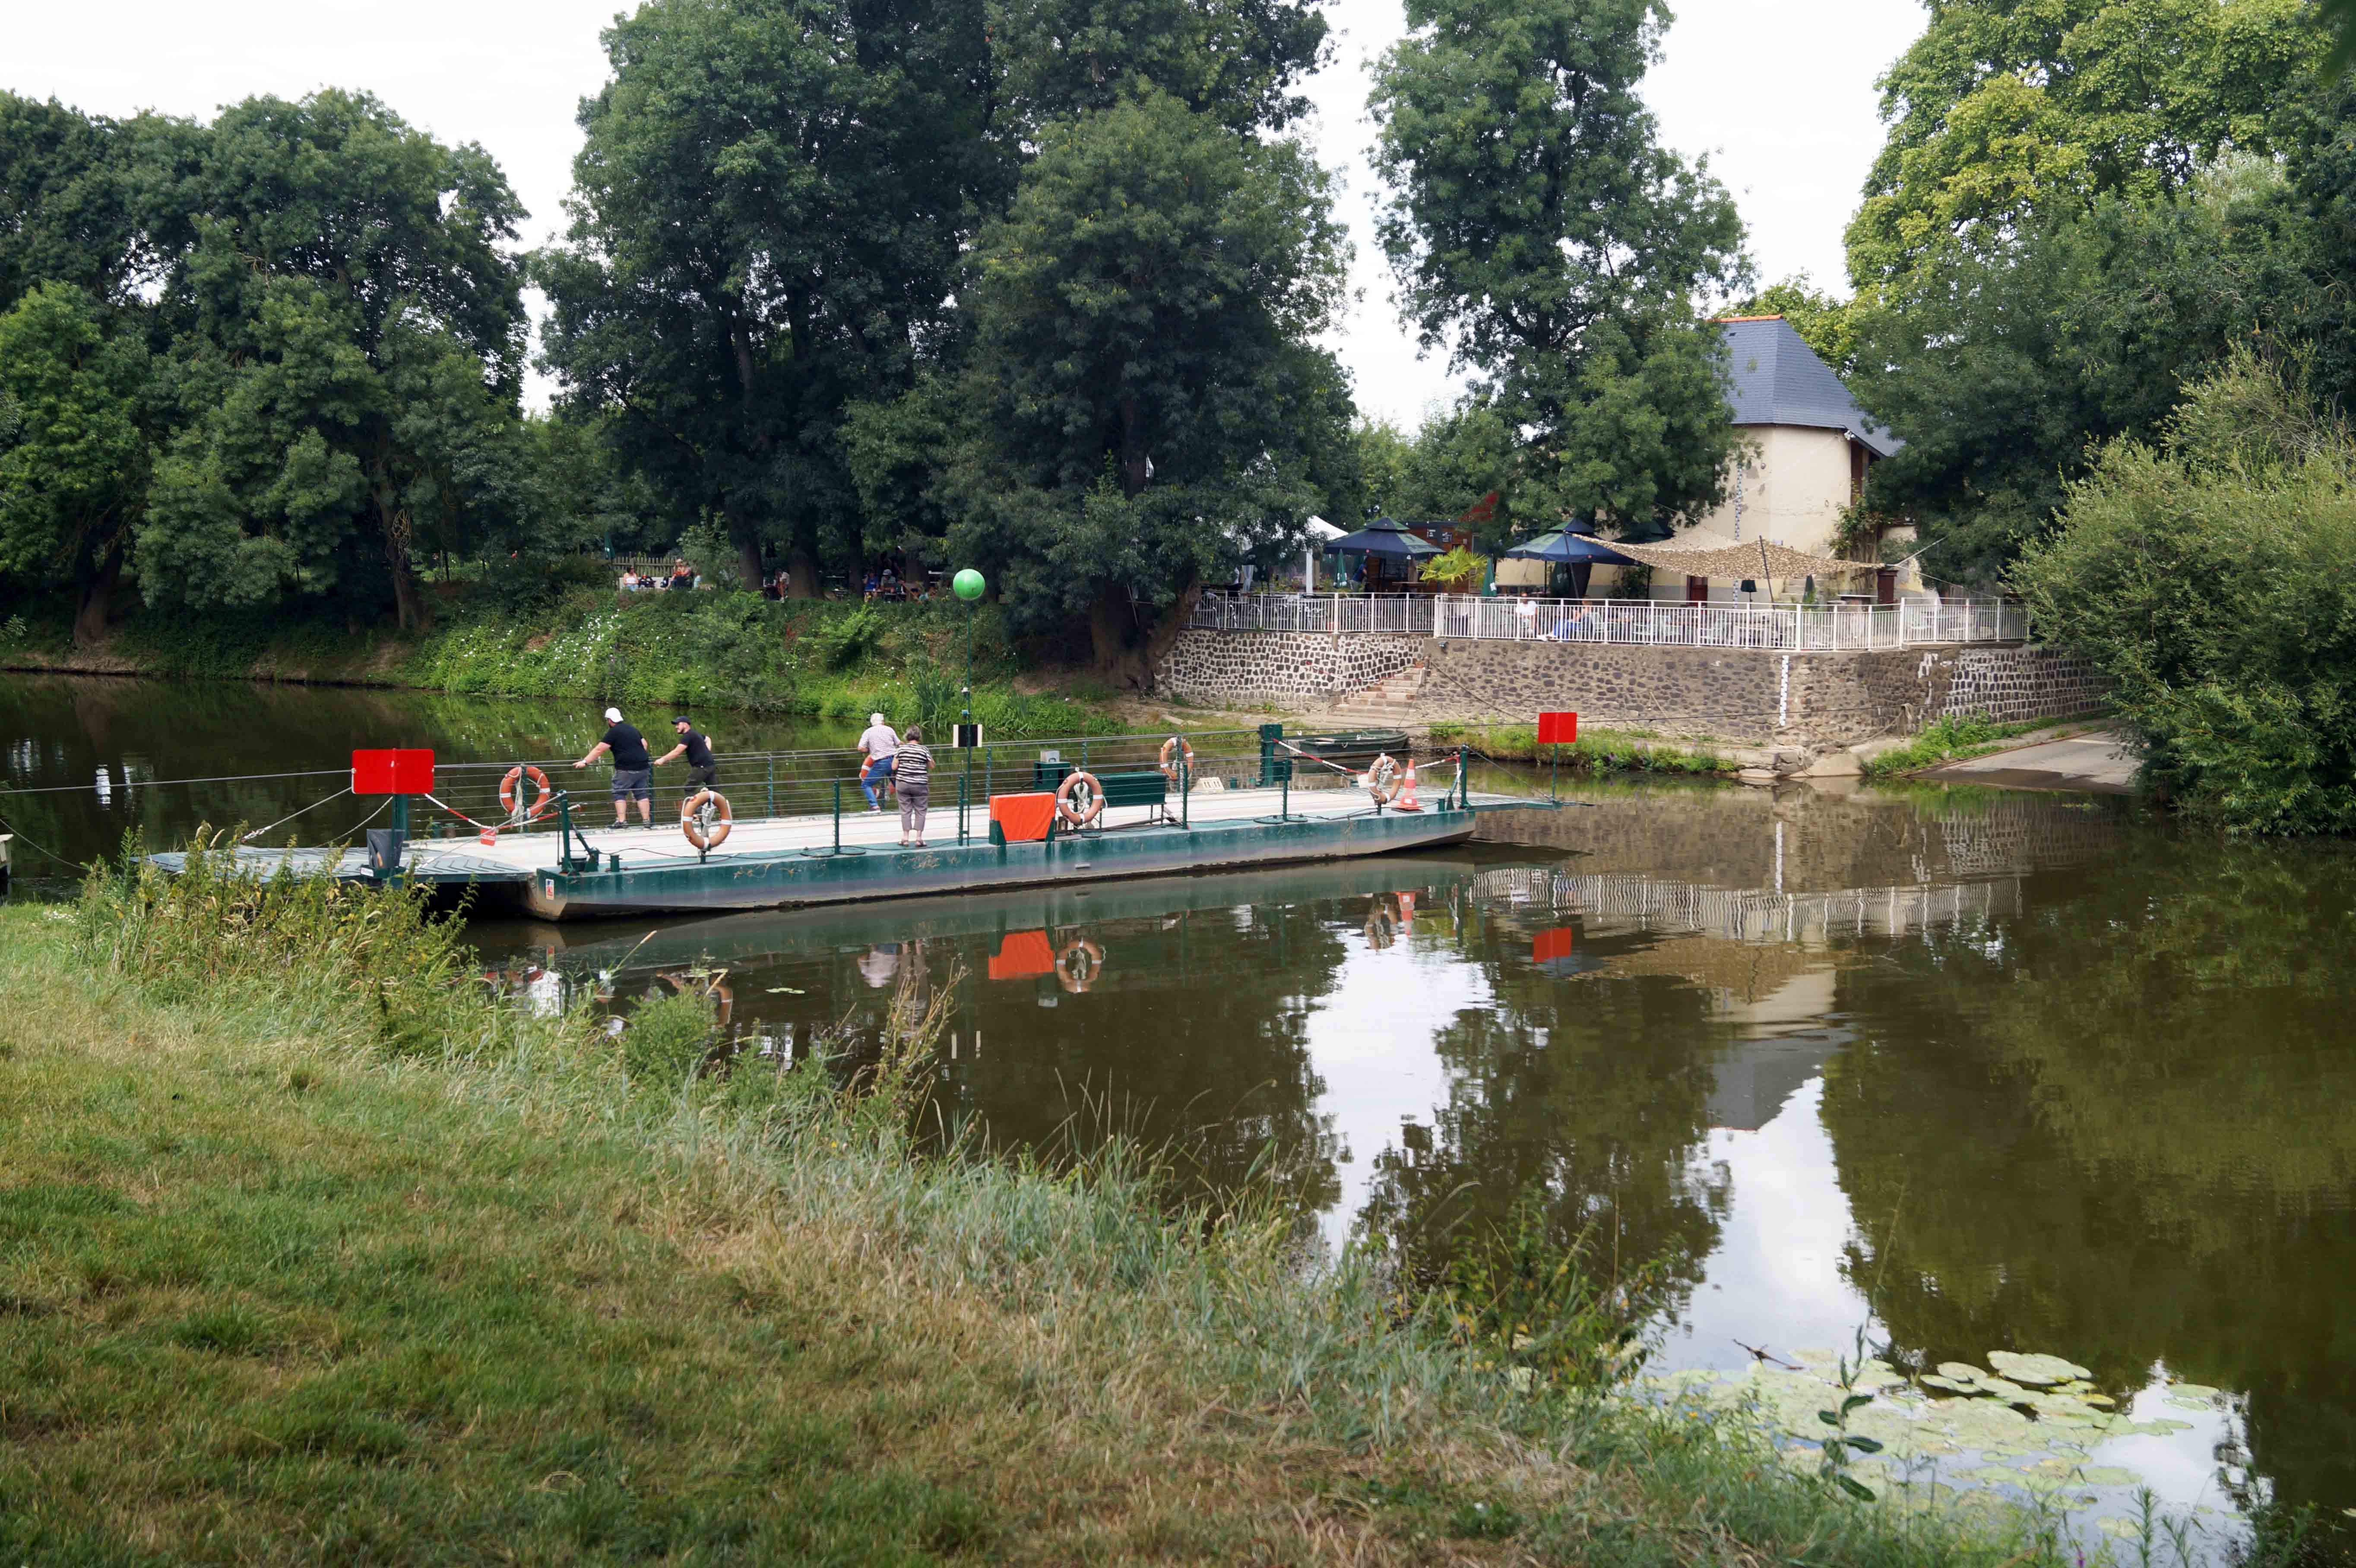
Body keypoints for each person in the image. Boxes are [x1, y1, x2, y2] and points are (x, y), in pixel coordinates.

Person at [574, 705, 654, 826]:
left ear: (610, 721)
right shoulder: (633, 729)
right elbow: (645, 744)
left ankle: (622, 822)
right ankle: (647, 821)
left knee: (619, 793)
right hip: (643, 766)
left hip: (626, 768)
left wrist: (585, 762)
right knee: (641, 793)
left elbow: (600, 749)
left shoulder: (613, 732)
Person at [656, 716, 719, 795]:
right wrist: (707, 752)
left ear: (685, 725)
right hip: (710, 765)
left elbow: (677, 752)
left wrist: (663, 760)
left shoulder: (688, 736)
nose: (676, 727)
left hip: (702, 767)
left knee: (689, 789)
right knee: (714, 791)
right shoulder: (694, 733)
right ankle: (722, 807)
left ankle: (695, 808)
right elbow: (708, 739)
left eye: (678, 724)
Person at [893, 724, 933, 847]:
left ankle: (905, 838)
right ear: (919, 737)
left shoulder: (900, 750)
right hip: (920, 784)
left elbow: (894, 766)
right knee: (921, 811)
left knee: (905, 811)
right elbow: (932, 766)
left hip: (903, 784)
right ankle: (919, 839)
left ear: (907, 737)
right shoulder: (924, 749)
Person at [855, 711, 897, 811]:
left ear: (872, 722)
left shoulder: (868, 732)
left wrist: (870, 750)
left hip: (881, 762)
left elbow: (860, 748)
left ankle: (874, 806)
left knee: (866, 784)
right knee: (899, 783)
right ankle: (911, 801)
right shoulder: (889, 729)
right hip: (894, 761)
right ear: (882, 721)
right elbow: (899, 743)